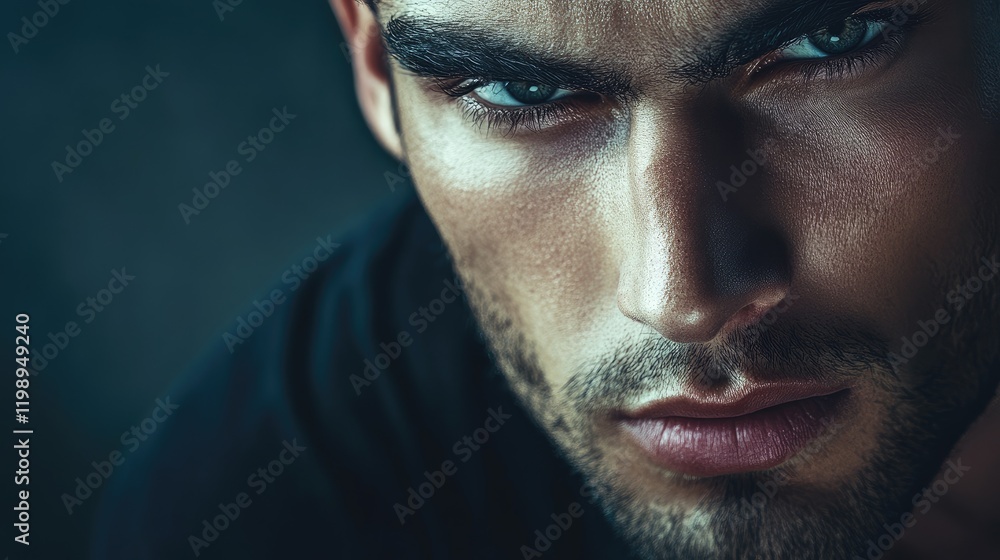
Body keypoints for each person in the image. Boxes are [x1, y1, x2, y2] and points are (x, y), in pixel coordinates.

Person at [92, 0, 1000, 558]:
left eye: (829, 42)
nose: (681, 297)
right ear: (375, 70)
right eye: (519, 94)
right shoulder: (258, 514)